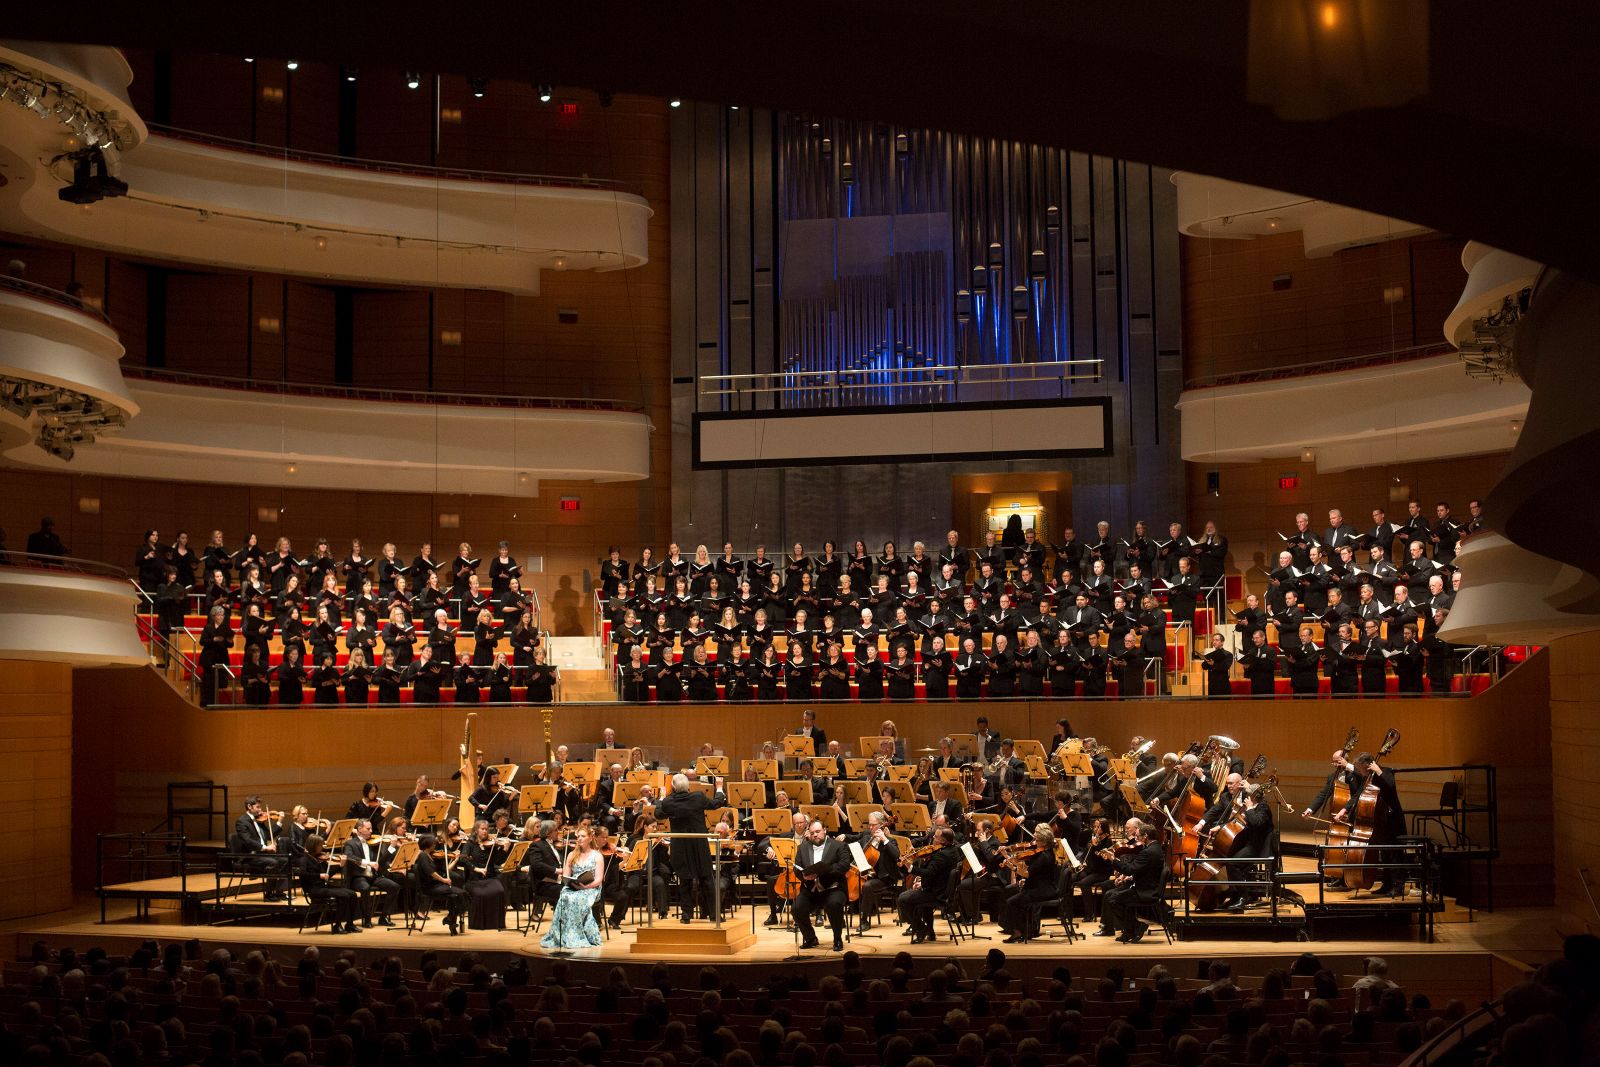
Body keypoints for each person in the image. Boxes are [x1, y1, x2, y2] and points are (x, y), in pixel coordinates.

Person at [655, 772, 727, 922]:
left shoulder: (668, 802)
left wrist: (661, 797)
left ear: (673, 787)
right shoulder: (698, 797)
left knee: (685, 880)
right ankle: (714, 915)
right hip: (699, 844)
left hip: (680, 845)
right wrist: (719, 787)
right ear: (688, 786)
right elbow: (716, 803)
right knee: (707, 879)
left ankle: (686, 915)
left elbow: (658, 814)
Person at [1096, 818, 1166, 943]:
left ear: (1145, 836)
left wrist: (1113, 859)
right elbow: (1144, 870)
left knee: (1112, 898)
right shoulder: (1156, 848)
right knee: (1112, 895)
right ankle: (1129, 930)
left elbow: (1129, 869)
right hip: (1146, 886)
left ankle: (1136, 926)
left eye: (1138, 836)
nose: (1136, 838)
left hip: (1145, 891)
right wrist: (1130, 877)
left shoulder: (1148, 852)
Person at [540, 826, 605, 950]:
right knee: (565, 896)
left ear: (590, 838)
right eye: (578, 836)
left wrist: (586, 886)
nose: (579, 839)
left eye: (583, 836)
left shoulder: (597, 856)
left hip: (591, 889)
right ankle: (562, 933)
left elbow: (598, 879)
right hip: (574, 887)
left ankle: (577, 934)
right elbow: (566, 875)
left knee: (576, 899)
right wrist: (569, 882)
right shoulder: (571, 854)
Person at [790, 818, 850, 950]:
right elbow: (797, 868)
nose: (815, 835)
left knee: (834, 904)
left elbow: (844, 865)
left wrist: (823, 871)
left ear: (825, 830)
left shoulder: (839, 846)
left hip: (833, 888)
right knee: (796, 908)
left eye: (818, 831)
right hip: (810, 889)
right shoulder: (802, 847)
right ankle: (811, 938)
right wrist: (804, 876)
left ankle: (837, 938)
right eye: (812, 833)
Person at [896, 826, 961, 944]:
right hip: (941, 889)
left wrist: (910, 866)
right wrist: (922, 883)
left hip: (937, 894)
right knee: (913, 898)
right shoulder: (953, 850)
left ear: (943, 841)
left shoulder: (942, 855)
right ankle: (930, 931)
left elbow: (929, 873)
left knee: (902, 899)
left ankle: (921, 929)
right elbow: (937, 873)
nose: (933, 837)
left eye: (936, 836)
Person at [1000, 827, 1060, 942]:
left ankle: (1018, 932)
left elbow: (1027, 874)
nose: (1035, 842)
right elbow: (1032, 871)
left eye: (1037, 840)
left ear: (1044, 842)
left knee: (1011, 902)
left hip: (1042, 890)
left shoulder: (1044, 856)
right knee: (1017, 899)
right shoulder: (1047, 853)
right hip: (1043, 887)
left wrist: (1013, 867)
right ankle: (1026, 931)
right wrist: (1013, 865)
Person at [343, 820, 400, 927]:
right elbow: (349, 857)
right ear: (360, 829)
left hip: (373, 876)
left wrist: (392, 847)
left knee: (394, 887)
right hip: (358, 877)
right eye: (368, 829)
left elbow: (381, 861)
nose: (371, 831)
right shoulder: (350, 843)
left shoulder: (373, 844)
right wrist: (368, 863)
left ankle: (383, 917)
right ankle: (367, 919)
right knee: (365, 888)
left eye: (371, 829)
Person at [296, 836, 358, 934]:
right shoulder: (304, 859)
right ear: (313, 845)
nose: (322, 847)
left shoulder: (319, 858)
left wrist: (340, 866)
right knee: (344, 895)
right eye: (320, 845)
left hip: (324, 887)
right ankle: (337, 926)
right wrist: (319, 875)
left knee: (352, 894)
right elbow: (302, 874)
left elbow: (328, 874)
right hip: (314, 890)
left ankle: (349, 924)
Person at [413, 833, 468, 933]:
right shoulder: (422, 856)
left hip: (437, 886)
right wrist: (444, 880)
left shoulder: (432, 856)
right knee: (459, 894)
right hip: (429, 888)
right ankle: (451, 919)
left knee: (459, 894)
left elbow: (446, 870)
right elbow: (431, 872)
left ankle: (450, 918)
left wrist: (455, 860)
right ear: (427, 844)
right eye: (433, 843)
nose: (435, 845)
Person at [1196, 633, 1234, 697]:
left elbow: (1225, 667)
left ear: (1222, 642)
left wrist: (1213, 664)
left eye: (1217, 640)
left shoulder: (1228, 654)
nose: (1214, 642)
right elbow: (1204, 666)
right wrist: (1207, 662)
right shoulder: (1211, 654)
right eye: (1213, 640)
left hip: (1222, 685)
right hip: (1212, 685)